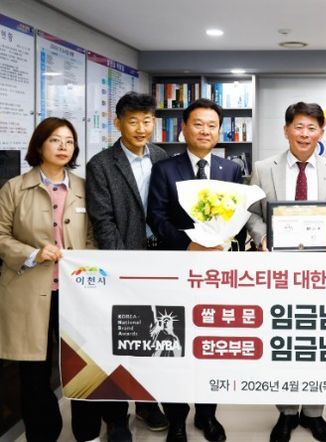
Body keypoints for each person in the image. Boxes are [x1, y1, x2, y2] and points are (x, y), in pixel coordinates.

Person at [246, 101, 326, 442]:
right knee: (283, 341)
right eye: (298, 127)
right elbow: (252, 213)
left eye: (312, 128)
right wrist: (261, 238)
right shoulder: (263, 168)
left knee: (320, 341)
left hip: (321, 272)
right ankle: (287, 412)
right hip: (277, 271)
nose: (305, 134)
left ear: (321, 132)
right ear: (286, 129)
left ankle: (315, 412)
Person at [75, 91, 170, 441]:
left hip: (161, 260)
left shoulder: (161, 157)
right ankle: (115, 416)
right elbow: (103, 221)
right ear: (118, 123)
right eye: (133, 121)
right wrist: (122, 267)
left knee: (154, 335)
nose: (141, 128)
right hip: (122, 261)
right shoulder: (101, 164)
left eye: (147, 121)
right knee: (119, 337)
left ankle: (145, 402)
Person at [148, 98, 242, 442]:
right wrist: (188, 244)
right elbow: (156, 216)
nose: (205, 131)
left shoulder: (231, 169)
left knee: (210, 344)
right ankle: (176, 418)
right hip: (176, 269)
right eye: (198, 124)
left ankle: (207, 414)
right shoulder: (165, 169)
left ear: (220, 131)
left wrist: (226, 244)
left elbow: (238, 218)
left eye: (212, 125)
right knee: (174, 344)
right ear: (184, 128)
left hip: (215, 275)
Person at [0, 117, 95, 441]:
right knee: (34, 371)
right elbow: (1, 235)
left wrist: (85, 262)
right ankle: (43, 433)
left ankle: (87, 432)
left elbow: (94, 236)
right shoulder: (14, 188)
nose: (63, 147)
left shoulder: (85, 187)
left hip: (76, 292)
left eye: (69, 141)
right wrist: (32, 253)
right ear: (39, 145)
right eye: (55, 140)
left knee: (84, 364)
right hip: (28, 290)